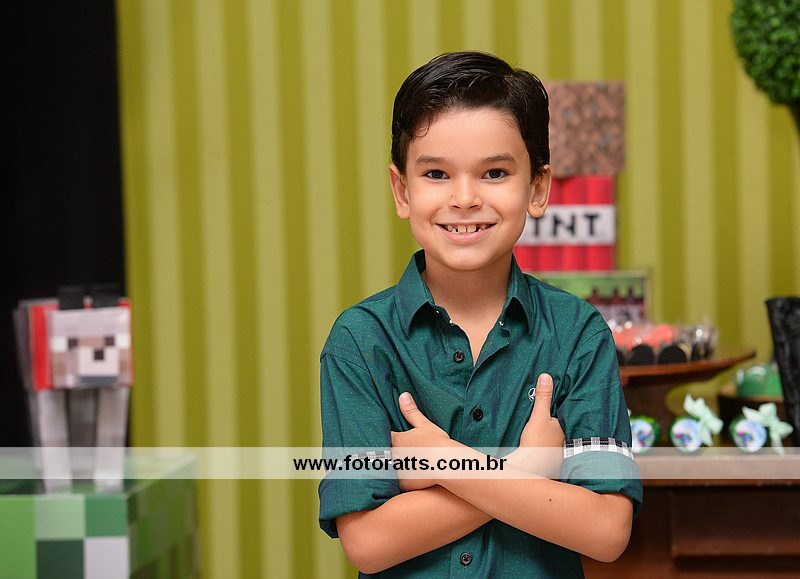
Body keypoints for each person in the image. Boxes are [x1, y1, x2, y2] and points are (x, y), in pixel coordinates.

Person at [318, 51, 641, 577]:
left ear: (537, 188)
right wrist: (526, 469)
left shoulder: (578, 334)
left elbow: (606, 530)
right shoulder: (361, 341)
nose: (465, 198)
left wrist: (443, 465)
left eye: (494, 172)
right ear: (402, 190)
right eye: (436, 173)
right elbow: (369, 542)